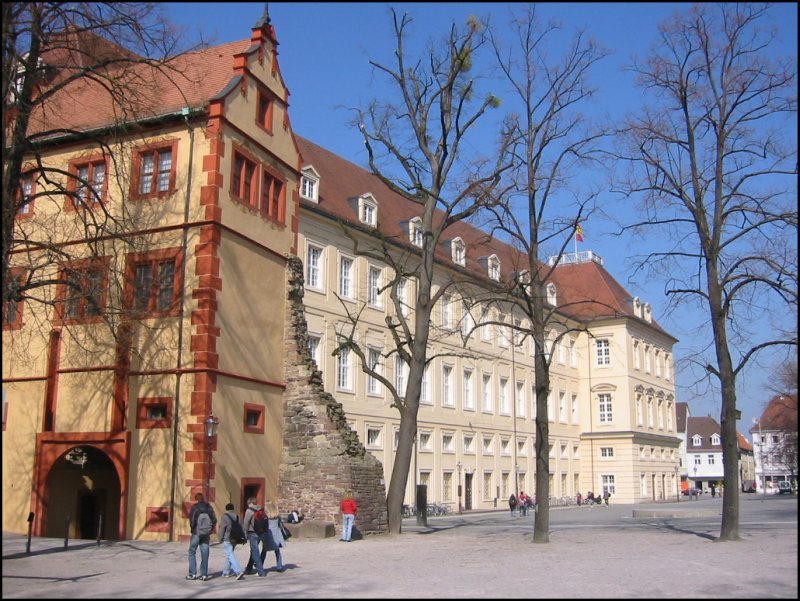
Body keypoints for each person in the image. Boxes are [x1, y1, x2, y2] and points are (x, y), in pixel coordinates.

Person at [187, 492, 217, 581]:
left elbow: (192, 520)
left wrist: (193, 529)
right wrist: (210, 529)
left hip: (197, 532)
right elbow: (214, 520)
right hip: (206, 533)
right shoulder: (209, 507)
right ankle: (204, 574)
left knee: (192, 551)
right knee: (205, 553)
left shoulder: (195, 507)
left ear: (197, 499)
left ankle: (192, 574)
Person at [218, 503, 245, 580]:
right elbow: (241, 527)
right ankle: (225, 572)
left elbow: (222, 528)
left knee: (230, 554)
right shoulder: (237, 516)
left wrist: (220, 538)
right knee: (229, 554)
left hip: (228, 538)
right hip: (235, 538)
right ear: (233, 509)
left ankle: (238, 571)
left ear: (226, 509)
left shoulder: (225, 517)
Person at [243, 497, 267, 577]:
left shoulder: (249, 511)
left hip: (252, 532)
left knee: (255, 552)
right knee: (253, 551)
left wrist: (245, 534)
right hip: (260, 533)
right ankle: (249, 568)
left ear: (250, 503)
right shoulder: (261, 509)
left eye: (248, 504)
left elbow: (246, 523)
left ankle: (261, 571)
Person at [264, 500, 287, 572]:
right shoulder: (277, 516)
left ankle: (260, 564)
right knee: (277, 550)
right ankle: (279, 566)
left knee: (264, 550)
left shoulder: (266, 516)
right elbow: (280, 525)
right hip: (277, 533)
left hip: (269, 533)